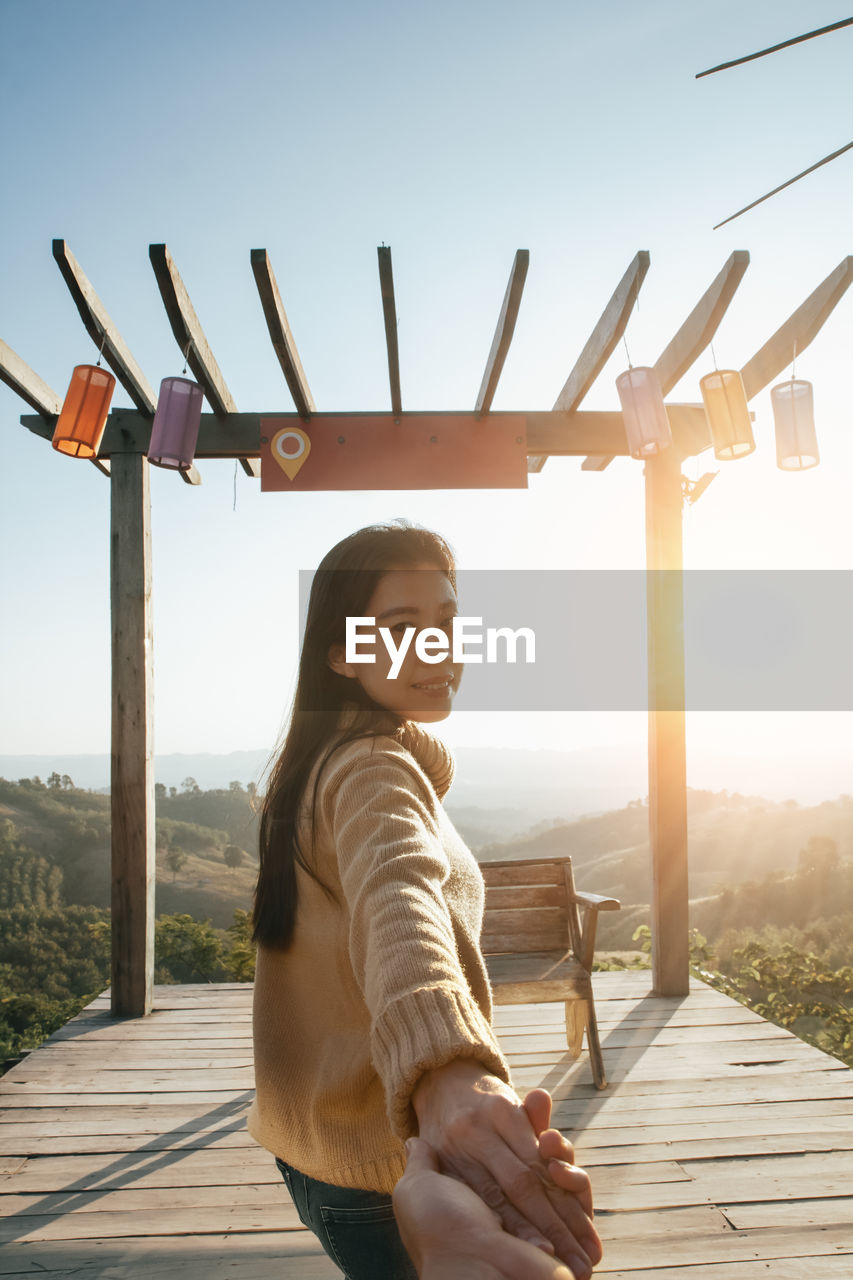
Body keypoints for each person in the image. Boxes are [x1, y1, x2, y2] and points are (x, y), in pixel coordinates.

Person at [247, 520, 602, 1280]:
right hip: (391, 1168)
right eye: (401, 630)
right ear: (341, 655)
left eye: (446, 625)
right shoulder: (373, 770)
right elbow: (397, 897)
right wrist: (446, 1070)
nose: (438, 653)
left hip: (317, 1149)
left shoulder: (324, 761)